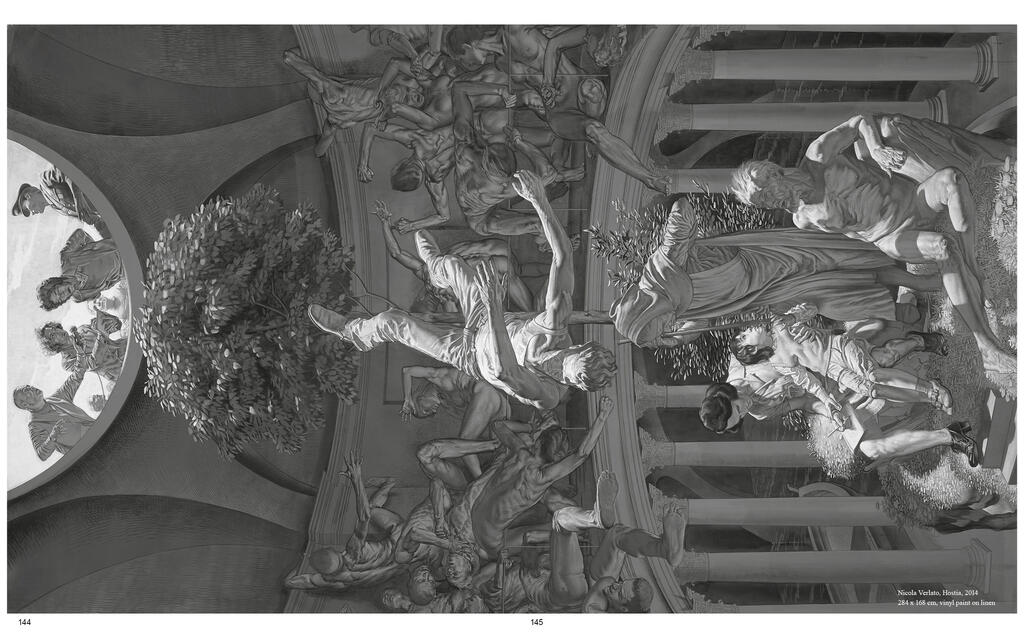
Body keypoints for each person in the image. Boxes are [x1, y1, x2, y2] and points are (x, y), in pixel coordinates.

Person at [730, 115, 1015, 378]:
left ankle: (974, 271)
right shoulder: (802, 219)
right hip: (892, 236)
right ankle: (986, 347)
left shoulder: (818, 153)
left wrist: (876, 148)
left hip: (915, 200)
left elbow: (859, 121)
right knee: (942, 246)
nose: (772, 204)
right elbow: (855, 236)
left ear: (773, 172)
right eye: (764, 204)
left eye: (767, 195)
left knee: (952, 179)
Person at [308, 169, 616, 411]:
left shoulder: (548, 394)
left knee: (393, 322)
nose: (558, 366)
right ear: (577, 347)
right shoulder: (555, 326)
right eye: (566, 359)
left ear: (575, 385)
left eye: (567, 375)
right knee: (454, 265)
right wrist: (539, 200)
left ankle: (354, 333)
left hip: (469, 352)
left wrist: (494, 305)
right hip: (484, 316)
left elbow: (506, 371)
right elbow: (562, 256)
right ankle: (435, 267)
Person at [610, 198, 936, 349]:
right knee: (833, 296)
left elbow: (682, 208)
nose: (665, 328)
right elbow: (701, 322)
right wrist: (676, 338)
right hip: (768, 292)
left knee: (835, 256)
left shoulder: (665, 270)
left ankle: (907, 247)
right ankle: (904, 304)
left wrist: (678, 237)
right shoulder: (678, 309)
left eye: (657, 327)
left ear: (647, 311)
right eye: (660, 333)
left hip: (766, 257)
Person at [413, 397, 613, 561]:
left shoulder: (520, 451)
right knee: (556, 520)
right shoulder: (541, 477)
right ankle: (592, 519)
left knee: (543, 519)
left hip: (478, 522)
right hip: (491, 540)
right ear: (556, 459)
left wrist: (531, 429)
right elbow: (580, 454)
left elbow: (497, 425)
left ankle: (589, 521)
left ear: (538, 442)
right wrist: (602, 417)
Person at [728, 310, 954, 419]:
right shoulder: (778, 363)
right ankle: (929, 394)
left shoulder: (779, 323)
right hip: (832, 371)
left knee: (875, 372)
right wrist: (828, 403)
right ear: (752, 350)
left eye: (738, 409)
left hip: (837, 347)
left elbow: (810, 308)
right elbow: (807, 381)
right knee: (874, 387)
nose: (749, 329)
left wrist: (794, 318)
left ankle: (929, 388)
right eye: (745, 336)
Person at [372, 201, 534, 312]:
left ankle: (529, 311)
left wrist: (385, 223)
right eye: (432, 308)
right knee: (505, 269)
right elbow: (459, 311)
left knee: (494, 262)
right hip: (490, 267)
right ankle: (530, 313)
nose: (431, 304)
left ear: (420, 298)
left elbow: (396, 253)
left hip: (486, 252)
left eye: (426, 304)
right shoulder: (447, 300)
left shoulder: (424, 271)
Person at [284, 454, 407, 591]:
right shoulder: (352, 554)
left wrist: (302, 560)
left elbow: (289, 582)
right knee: (371, 509)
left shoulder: (329, 580)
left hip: (397, 567)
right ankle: (389, 484)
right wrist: (356, 480)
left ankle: (387, 486)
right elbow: (364, 517)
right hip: (400, 543)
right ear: (334, 551)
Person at [401, 364, 511, 479]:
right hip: (496, 405)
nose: (432, 412)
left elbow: (407, 370)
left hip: (487, 394)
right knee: (494, 452)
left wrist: (407, 398)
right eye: (429, 414)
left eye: (425, 410)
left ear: (420, 398)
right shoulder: (447, 403)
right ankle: (481, 480)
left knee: (465, 442)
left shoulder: (438, 377)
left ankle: (480, 481)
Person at [13, 364, 94, 461]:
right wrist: (52, 437)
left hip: (98, 429)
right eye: (28, 391)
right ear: (25, 404)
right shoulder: (35, 425)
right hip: (88, 452)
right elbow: (41, 455)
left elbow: (75, 378)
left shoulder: (57, 397)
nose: (32, 388)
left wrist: (81, 358)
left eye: (29, 386)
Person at [12, 164, 109, 237]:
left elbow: (66, 170)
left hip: (102, 184)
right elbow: (90, 219)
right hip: (108, 206)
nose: (32, 213)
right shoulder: (60, 210)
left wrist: (78, 199)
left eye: (28, 208)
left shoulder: (45, 181)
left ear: (28, 195)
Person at [37, 229, 123, 311]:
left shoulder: (67, 258)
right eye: (60, 299)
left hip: (119, 249)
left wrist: (94, 248)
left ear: (55, 283)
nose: (63, 294)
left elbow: (80, 234)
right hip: (124, 273)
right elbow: (99, 292)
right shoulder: (79, 297)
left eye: (58, 292)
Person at [37, 309, 127, 382]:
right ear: (51, 345)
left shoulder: (83, 329)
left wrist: (104, 320)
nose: (58, 332)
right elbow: (93, 363)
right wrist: (101, 335)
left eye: (55, 328)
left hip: (126, 346)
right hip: (120, 370)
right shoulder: (67, 362)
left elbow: (117, 325)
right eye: (53, 335)